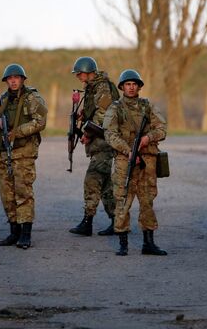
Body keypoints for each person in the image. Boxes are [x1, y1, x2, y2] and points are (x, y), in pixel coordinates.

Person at [103, 69, 168, 256]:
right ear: (122, 87)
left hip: (148, 159)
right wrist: (128, 150)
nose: (131, 88)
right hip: (126, 160)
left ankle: (149, 243)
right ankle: (123, 243)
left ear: (139, 86)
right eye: (127, 84)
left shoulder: (147, 106)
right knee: (123, 199)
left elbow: (162, 129)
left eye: (134, 84)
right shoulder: (115, 108)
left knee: (147, 199)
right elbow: (110, 134)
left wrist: (148, 138)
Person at [0, 64, 47, 249]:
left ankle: (25, 234)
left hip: (23, 153)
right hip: (2, 153)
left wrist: (17, 132)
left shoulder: (33, 98)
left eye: (16, 78)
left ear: (22, 80)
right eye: (9, 78)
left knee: (23, 192)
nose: (13, 81)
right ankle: (14, 232)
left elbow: (40, 122)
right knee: (7, 195)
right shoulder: (3, 100)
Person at [68, 57, 120, 237]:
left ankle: (87, 222)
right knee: (106, 186)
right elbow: (96, 110)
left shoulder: (102, 87)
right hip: (101, 143)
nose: (78, 77)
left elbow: (105, 115)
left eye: (80, 73)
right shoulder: (92, 87)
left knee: (92, 180)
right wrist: (84, 114)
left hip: (104, 143)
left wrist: (88, 133)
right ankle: (117, 222)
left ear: (89, 71)